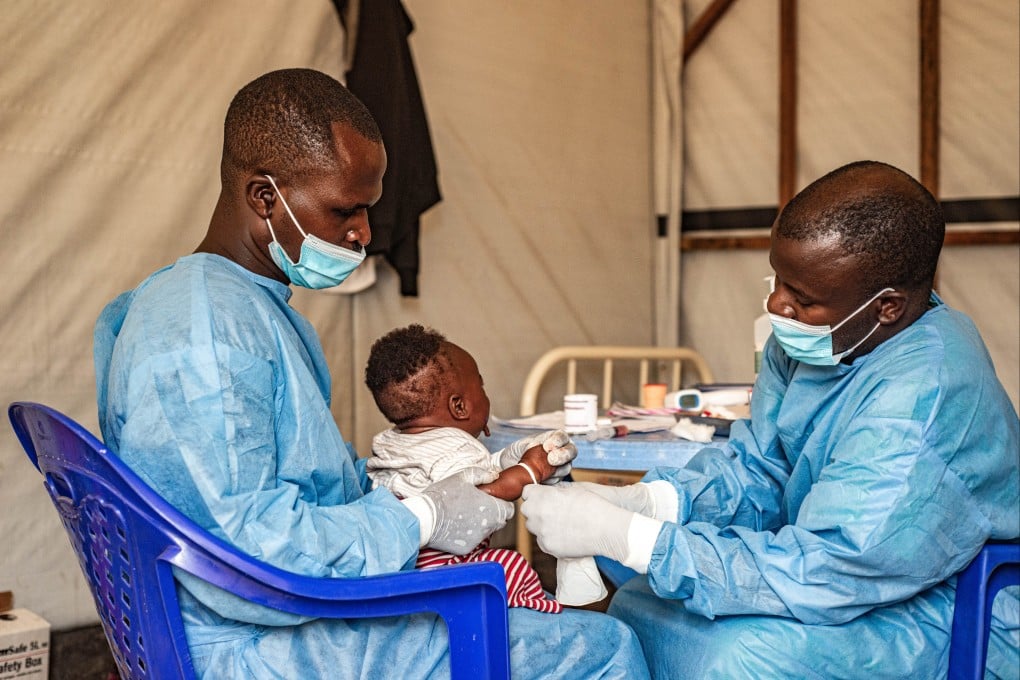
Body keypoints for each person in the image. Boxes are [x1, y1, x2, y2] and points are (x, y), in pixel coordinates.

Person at [93, 68, 650, 679]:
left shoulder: (243, 308)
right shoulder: (203, 330)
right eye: (344, 210)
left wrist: (417, 477)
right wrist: (417, 517)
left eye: (368, 210)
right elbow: (245, 555)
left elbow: (295, 486)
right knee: (603, 646)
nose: (363, 233)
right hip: (253, 644)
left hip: (280, 619)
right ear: (264, 197)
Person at [521, 160, 1020, 678]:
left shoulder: (928, 392)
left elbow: (835, 567)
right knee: (642, 601)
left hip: (950, 606)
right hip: (834, 573)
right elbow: (759, 466)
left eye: (803, 299)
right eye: (778, 280)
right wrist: (652, 502)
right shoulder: (819, 340)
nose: (777, 304)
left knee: (737, 657)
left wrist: (634, 538)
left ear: (887, 307)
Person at [365, 323, 608, 612]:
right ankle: (538, 612)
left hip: (398, 566)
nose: (484, 392)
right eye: (480, 385)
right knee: (511, 565)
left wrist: (509, 458)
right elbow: (475, 496)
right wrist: (530, 469)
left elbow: (455, 473)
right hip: (444, 566)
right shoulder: (458, 446)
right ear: (459, 407)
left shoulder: (390, 442)